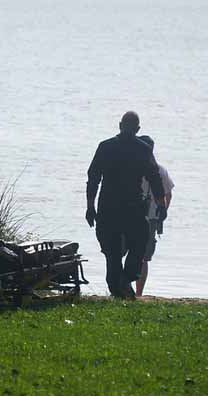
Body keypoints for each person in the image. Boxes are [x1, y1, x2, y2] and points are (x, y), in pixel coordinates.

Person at [86, 111, 166, 299]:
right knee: (139, 242)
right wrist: (161, 205)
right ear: (137, 129)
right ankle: (125, 280)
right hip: (133, 207)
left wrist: (90, 207)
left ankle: (118, 284)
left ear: (120, 125)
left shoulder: (105, 147)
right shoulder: (143, 149)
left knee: (112, 250)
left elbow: (93, 178)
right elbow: (155, 179)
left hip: (108, 206)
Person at [134, 136, 174, 297]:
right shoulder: (161, 170)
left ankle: (124, 289)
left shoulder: (133, 167)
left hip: (131, 214)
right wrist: (161, 213)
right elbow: (168, 195)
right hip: (151, 218)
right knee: (144, 258)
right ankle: (139, 293)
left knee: (125, 253)